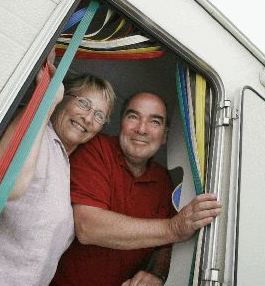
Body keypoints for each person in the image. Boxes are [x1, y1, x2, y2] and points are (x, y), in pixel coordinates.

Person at [0, 49, 116, 286]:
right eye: (84, 103)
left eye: (99, 115)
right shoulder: (38, 133)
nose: (88, 118)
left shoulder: (67, 161)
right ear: (63, 97)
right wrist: (46, 100)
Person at [51, 92, 222, 286]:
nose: (141, 129)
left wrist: (158, 274)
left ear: (165, 135)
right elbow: (87, 227)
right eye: (133, 117)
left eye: (155, 122)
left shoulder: (164, 180)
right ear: (121, 123)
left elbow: (164, 245)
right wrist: (174, 228)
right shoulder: (96, 148)